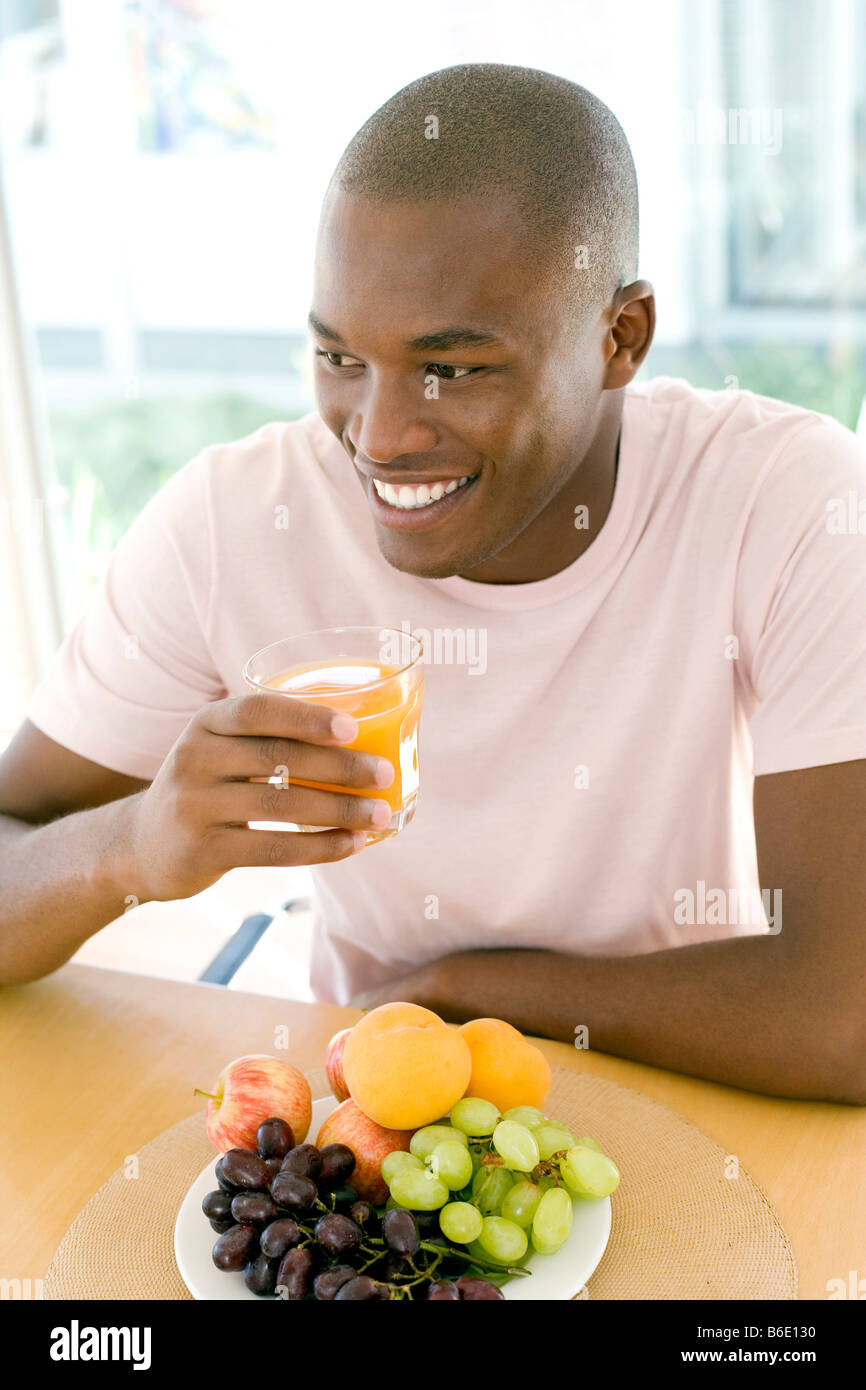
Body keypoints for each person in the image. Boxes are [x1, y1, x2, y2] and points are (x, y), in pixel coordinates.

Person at [1, 64, 864, 1104]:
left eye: (450, 368)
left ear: (617, 338)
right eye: (337, 356)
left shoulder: (783, 499)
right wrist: (122, 848)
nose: (378, 436)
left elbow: (842, 1018)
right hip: (379, 1106)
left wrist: (465, 991)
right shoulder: (234, 522)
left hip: (697, 1079)